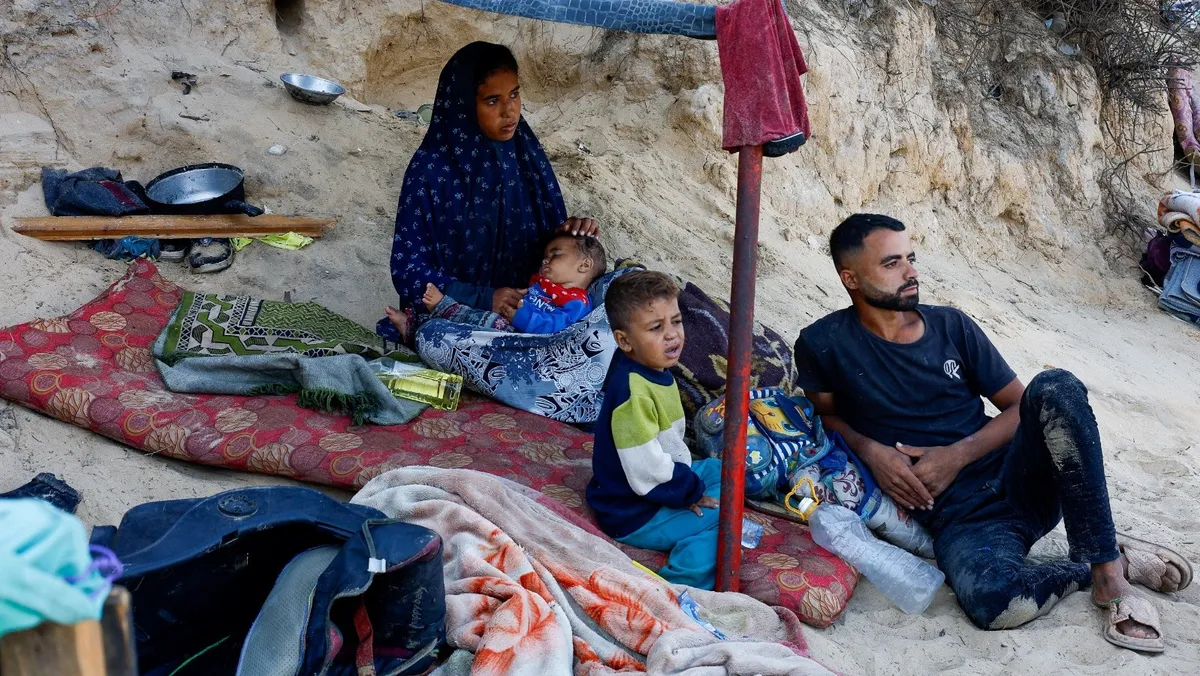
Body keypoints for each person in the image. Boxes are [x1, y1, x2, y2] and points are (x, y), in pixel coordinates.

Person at [794, 213, 1192, 652]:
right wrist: (871, 450)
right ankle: (1101, 560)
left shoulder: (952, 327)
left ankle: (1109, 577)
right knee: (995, 603)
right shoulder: (822, 344)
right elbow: (824, 418)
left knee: (1056, 386)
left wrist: (958, 455)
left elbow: (1020, 405)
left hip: (1021, 479)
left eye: (911, 258)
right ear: (850, 278)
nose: (910, 272)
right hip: (961, 519)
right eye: (892, 263)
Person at [383, 41, 598, 337]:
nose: (510, 112)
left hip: (527, 312)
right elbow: (407, 270)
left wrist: (567, 236)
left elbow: (540, 247)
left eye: (515, 94)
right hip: (454, 315)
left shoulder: (526, 156)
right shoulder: (430, 171)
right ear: (463, 104)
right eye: (492, 100)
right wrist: (484, 298)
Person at [585, 271, 722, 590]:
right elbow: (648, 468)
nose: (672, 335)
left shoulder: (650, 368)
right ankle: (679, 584)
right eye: (656, 328)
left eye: (676, 321)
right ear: (625, 341)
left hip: (656, 481)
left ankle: (693, 504)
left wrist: (688, 483)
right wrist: (690, 493)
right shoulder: (633, 393)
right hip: (633, 511)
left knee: (721, 471)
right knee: (724, 518)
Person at [388, 234, 606, 339]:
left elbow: (558, 327)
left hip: (524, 339)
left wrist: (523, 317)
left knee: (484, 322)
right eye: (545, 257)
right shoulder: (545, 286)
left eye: (556, 254)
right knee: (479, 318)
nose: (545, 260)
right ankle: (417, 325)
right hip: (509, 324)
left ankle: (438, 311)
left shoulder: (577, 302)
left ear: (585, 265)